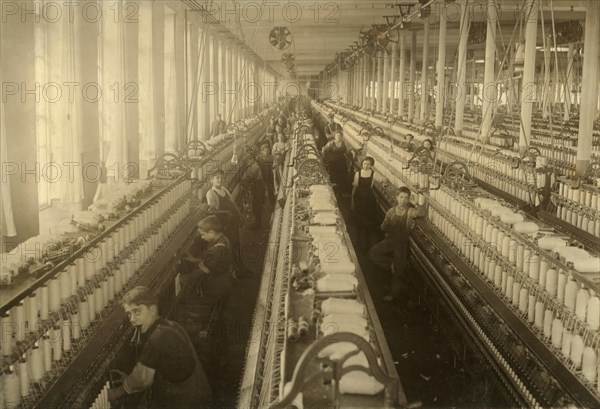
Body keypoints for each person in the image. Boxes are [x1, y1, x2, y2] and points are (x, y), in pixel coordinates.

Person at [107, 286, 212, 408]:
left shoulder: (157, 338)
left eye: (137, 312)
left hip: (187, 401)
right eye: (129, 314)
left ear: (152, 309)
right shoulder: (170, 325)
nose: (132, 319)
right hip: (199, 393)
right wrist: (130, 380)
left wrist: (115, 393)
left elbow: (142, 380)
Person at [368, 186, 426, 302]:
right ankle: (390, 264)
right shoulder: (391, 212)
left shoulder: (410, 212)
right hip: (389, 241)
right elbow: (383, 227)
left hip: (401, 244)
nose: (403, 200)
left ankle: (393, 294)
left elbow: (421, 212)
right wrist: (386, 225)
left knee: (399, 271)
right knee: (373, 253)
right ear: (396, 197)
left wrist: (415, 203)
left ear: (409, 199)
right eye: (401, 197)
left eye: (406, 198)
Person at [206, 170, 252, 278]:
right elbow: (211, 210)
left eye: (221, 177)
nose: (220, 179)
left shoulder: (224, 190)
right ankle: (233, 272)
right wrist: (226, 212)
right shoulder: (210, 193)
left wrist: (240, 216)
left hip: (232, 224)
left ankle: (240, 268)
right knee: (229, 247)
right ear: (211, 180)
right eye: (217, 177)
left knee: (236, 245)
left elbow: (233, 204)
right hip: (223, 226)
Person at [182, 215, 233, 305]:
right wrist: (194, 259)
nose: (202, 237)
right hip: (225, 281)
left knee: (213, 305)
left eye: (203, 234)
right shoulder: (224, 239)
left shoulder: (216, 249)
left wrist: (186, 278)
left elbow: (203, 270)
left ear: (211, 232)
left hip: (217, 285)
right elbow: (211, 260)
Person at [351, 157, 378, 248]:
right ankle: (358, 239)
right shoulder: (358, 174)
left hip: (369, 199)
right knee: (359, 219)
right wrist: (352, 200)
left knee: (368, 220)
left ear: (371, 165)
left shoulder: (373, 174)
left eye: (368, 164)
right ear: (362, 164)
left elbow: (374, 184)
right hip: (359, 199)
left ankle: (367, 239)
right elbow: (355, 187)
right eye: (365, 163)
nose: (366, 166)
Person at [239, 148, 266, 229]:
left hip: (258, 186)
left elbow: (248, 178)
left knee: (256, 205)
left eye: (247, 162)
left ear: (251, 160)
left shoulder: (254, 167)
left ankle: (257, 224)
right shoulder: (252, 165)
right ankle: (256, 221)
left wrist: (242, 183)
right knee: (255, 205)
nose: (246, 164)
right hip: (257, 186)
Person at [322, 131, 351, 196]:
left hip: (341, 162)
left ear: (341, 137)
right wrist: (324, 159)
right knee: (333, 176)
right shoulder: (331, 143)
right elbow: (323, 149)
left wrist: (353, 152)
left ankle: (340, 192)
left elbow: (347, 151)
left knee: (341, 176)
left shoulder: (344, 143)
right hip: (333, 162)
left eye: (340, 136)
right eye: (337, 136)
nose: (338, 137)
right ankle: (334, 192)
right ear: (334, 137)